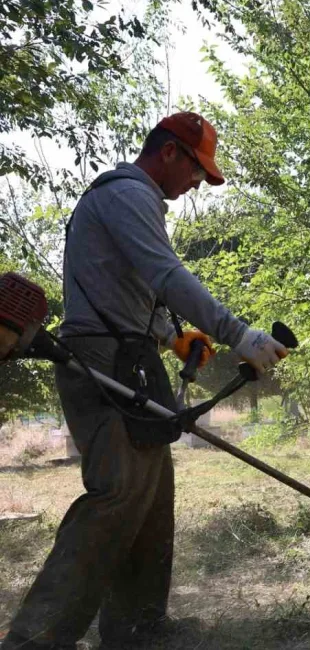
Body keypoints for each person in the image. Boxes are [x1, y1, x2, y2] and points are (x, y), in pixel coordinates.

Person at [1, 112, 289, 650]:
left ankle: (137, 627)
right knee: (117, 495)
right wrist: (236, 334)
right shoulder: (125, 192)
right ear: (171, 152)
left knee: (152, 494)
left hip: (129, 355)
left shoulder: (139, 202)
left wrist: (171, 337)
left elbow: (136, 288)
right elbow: (166, 274)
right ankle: (33, 638)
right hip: (101, 360)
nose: (199, 183)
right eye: (199, 170)